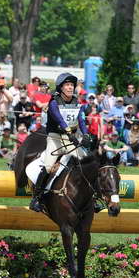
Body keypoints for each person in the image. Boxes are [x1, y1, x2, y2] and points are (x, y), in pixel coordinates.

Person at [29, 73, 89, 213]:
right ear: (61, 87)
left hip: (70, 139)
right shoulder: (54, 102)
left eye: (72, 85)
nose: (70, 87)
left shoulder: (77, 102)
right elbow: (59, 120)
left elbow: (81, 120)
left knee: (86, 162)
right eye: (67, 85)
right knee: (49, 166)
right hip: (55, 138)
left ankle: (91, 198)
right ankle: (36, 198)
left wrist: (86, 134)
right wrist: (69, 133)